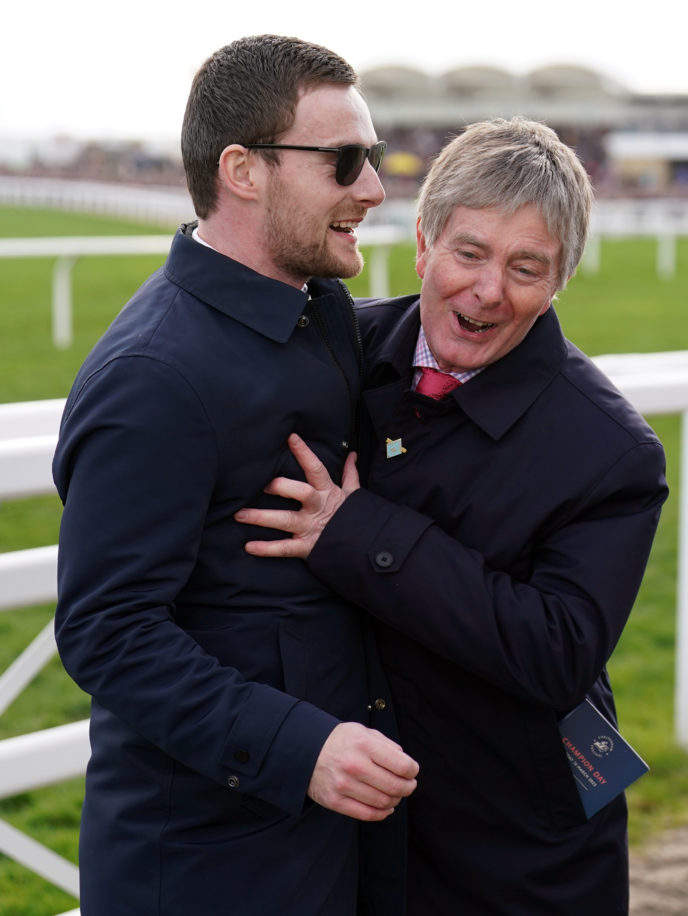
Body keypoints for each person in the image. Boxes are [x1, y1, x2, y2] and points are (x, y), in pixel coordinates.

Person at [236, 117, 669, 914]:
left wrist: (358, 535)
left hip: (512, 852)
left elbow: (556, 650)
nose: (489, 290)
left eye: (526, 267)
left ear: (561, 279)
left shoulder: (612, 452)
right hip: (334, 825)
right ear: (424, 242)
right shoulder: (334, 351)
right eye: (470, 252)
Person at [52, 34, 418, 916]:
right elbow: (108, 630)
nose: (372, 187)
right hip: (209, 863)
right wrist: (302, 748)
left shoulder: (318, 309)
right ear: (243, 171)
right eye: (344, 161)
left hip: (333, 838)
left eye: (370, 158)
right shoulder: (154, 375)